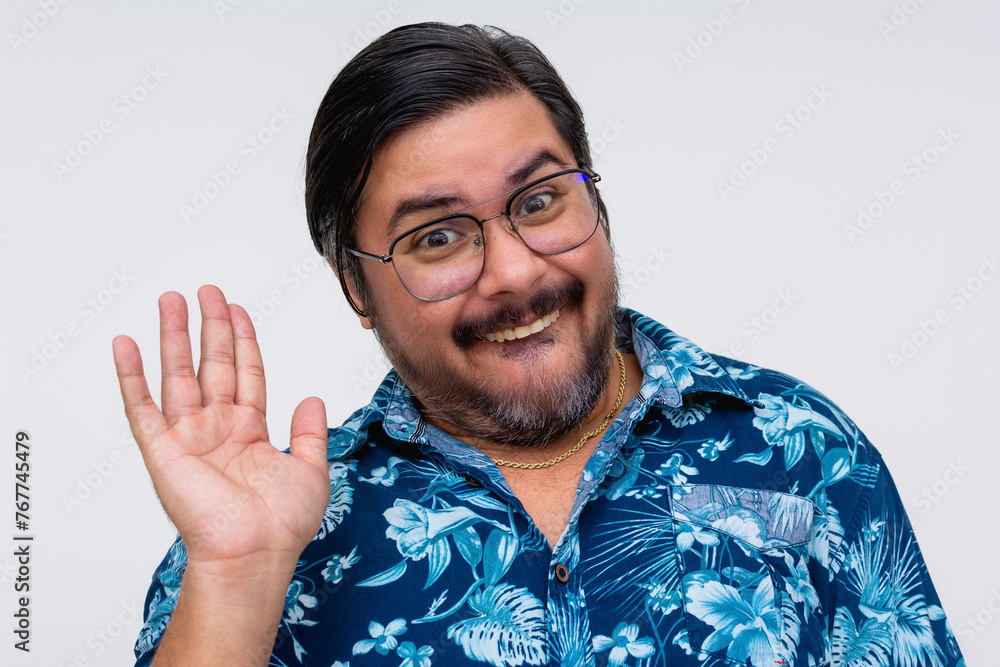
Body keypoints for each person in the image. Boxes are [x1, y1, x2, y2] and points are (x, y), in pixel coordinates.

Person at [116, 22, 964, 667]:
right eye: (439, 237)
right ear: (356, 288)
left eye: (540, 200)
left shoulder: (801, 447)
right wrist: (233, 578)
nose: (515, 273)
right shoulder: (266, 534)